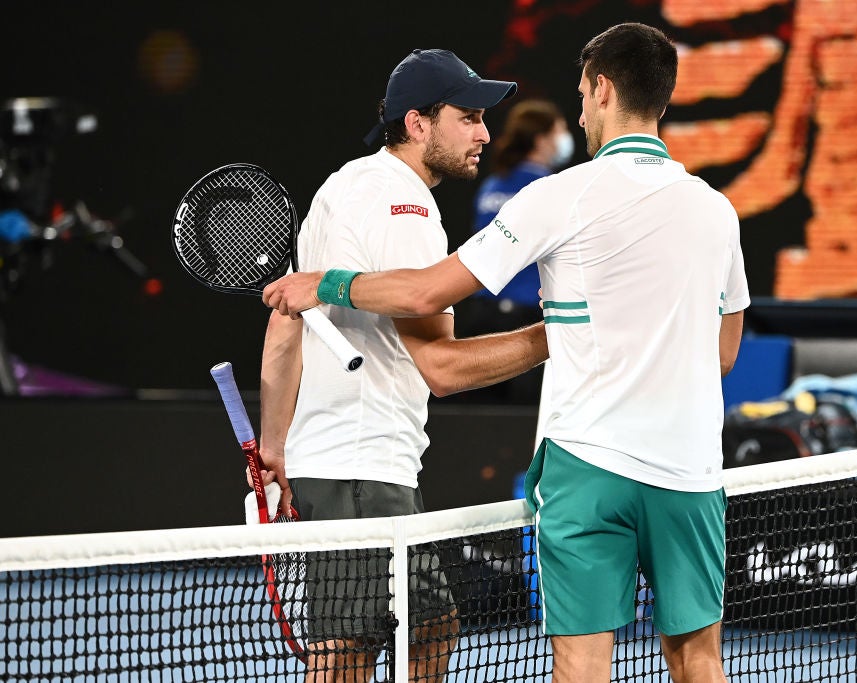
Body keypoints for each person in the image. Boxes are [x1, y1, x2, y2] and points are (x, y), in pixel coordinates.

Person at [264, 22, 748, 683]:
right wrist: (590, 337)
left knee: (511, 645)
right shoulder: (717, 211)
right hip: (682, 470)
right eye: (469, 118)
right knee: (698, 659)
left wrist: (323, 295)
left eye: (581, 93)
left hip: (574, 468)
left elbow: (381, 304)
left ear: (603, 90)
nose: (486, 134)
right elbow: (721, 354)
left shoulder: (546, 194)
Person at [257, 48, 549, 683]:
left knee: (429, 625)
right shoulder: (403, 203)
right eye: (468, 116)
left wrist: (276, 448)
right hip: (362, 466)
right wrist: (557, 337)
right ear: (419, 123)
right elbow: (440, 368)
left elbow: (285, 327)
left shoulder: (345, 184)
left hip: (342, 459)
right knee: (348, 652)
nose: (484, 133)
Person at [457, 99, 574, 403]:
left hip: (481, 318)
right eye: (560, 130)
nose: (565, 138)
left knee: (475, 424)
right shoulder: (550, 188)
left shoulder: (492, 186)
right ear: (542, 138)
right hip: (528, 324)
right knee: (522, 425)